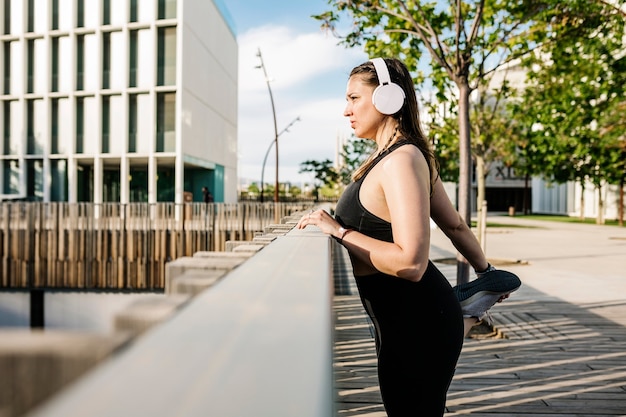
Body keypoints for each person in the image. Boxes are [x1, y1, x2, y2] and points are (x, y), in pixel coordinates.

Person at [296, 57, 520, 416]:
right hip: (403, 320)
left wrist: (338, 230)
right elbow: (455, 225)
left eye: (354, 98)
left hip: (417, 325)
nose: (345, 110)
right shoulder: (393, 157)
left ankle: (464, 309)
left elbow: (412, 263)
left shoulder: (401, 160)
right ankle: (472, 303)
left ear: (387, 98)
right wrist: (486, 271)